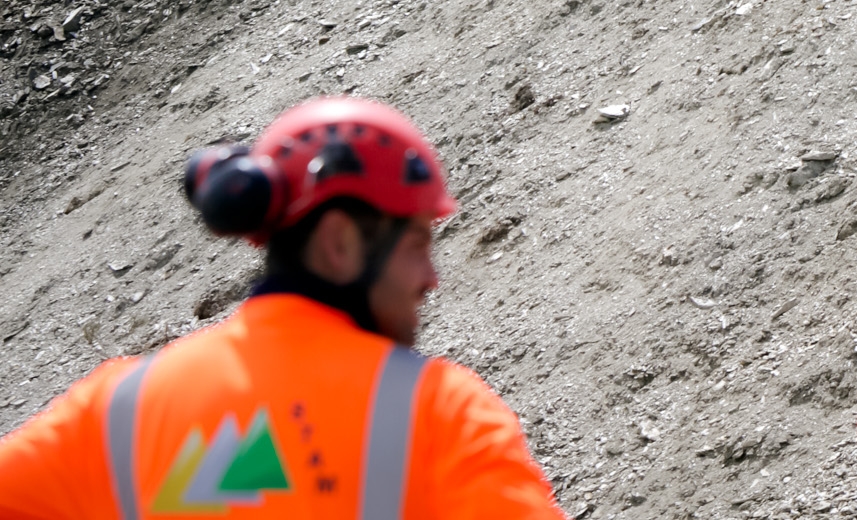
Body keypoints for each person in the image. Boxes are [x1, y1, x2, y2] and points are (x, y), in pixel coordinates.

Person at [0, 97, 565, 519]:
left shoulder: (117, 409)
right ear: (339, 243)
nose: (431, 279)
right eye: (418, 244)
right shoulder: (441, 413)